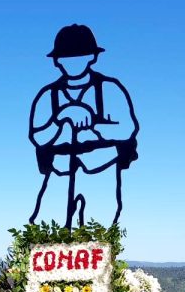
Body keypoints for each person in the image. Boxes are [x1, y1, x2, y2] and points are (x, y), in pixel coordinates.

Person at [28, 23, 139, 229]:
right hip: (60, 171)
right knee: (48, 230)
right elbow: (38, 137)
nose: (72, 62)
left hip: (100, 170)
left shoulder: (109, 89)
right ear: (57, 61)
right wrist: (62, 118)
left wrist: (93, 124)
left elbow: (127, 128)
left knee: (98, 230)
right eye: (66, 58)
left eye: (79, 56)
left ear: (92, 57)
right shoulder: (48, 95)